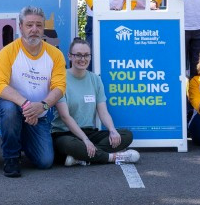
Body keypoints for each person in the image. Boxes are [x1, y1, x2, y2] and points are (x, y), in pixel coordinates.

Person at [0, 5, 66, 177]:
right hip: (12, 109)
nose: (34, 29)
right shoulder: (8, 52)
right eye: (29, 25)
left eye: (39, 25)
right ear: (21, 27)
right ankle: (11, 157)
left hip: (39, 113)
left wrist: (43, 106)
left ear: (43, 28)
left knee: (45, 161)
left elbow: (59, 87)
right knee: (9, 110)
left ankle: (21, 136)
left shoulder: (55, 55)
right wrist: (26, 105)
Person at [53, 37, 139, 166]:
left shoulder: (95, 79)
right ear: (69, 56)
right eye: (78, 55)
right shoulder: (60, 79)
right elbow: (65, 117)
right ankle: (113, 157)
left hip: (89, 132)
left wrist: (112, 130)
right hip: (65, 133)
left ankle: (81, 157)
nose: (83, 59)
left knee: (126, 135)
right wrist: (85, 140)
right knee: (69, 144)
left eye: (86, 55)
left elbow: (103, 112)